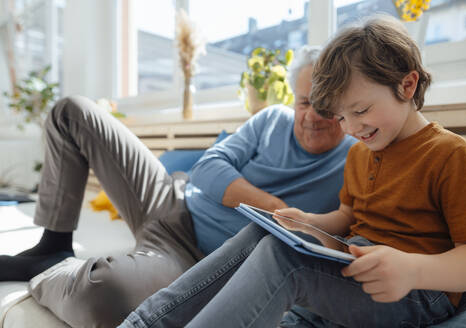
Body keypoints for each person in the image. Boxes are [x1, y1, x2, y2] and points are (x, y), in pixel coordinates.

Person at [119, 15, 466, 328]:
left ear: (407, 85)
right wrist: (309, 221)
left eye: (360, 111)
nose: (350, 128)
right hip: (355, 265)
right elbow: (348, 216)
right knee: (265, 231)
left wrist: (414, 270)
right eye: (342, 117)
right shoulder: (362, 154)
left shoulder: (451, 155)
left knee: (286, 262)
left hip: (416, 292)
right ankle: (143, 323)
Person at [0, 46, 356, 327]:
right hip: (171, 198)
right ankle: (54, 242)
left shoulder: (354, 161)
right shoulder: (271, 119)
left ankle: (51, 268)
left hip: (189, 258)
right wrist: (274, 208)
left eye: (323, 106)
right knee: (72, 111)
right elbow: (208, 169)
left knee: (102, 295)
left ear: (342, 107)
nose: (310, 116)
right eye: (303, 102)